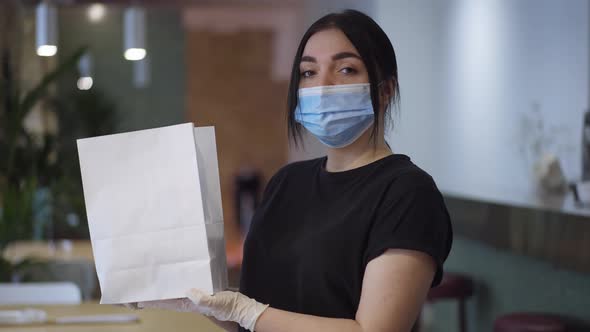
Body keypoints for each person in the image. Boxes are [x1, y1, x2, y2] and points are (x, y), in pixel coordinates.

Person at [139, 9, 453, 332]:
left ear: (385, 91)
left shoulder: (408, 194)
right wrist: (206, 303)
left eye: (346, 69)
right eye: (308, 72)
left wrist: (245, 311)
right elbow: (255, 320)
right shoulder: (286, 183)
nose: (323, 86)